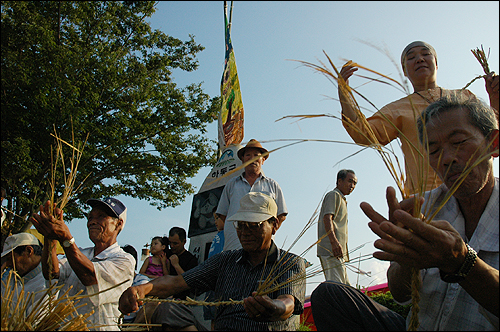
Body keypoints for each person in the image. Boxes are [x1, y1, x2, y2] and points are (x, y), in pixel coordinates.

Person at [311, 93, 499, 330]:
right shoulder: (424, 208)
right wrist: (407, 259)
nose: (447, 159)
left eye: (459, 142)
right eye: (433, 150)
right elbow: (400, 294)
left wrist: (463, 264)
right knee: (329, 295)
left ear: (494, 143)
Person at [119, 192, 306, 331]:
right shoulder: (225, 261)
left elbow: (287, 302)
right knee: (168, 310)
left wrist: (274, 307)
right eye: (241, 225)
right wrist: (142, 289)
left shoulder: (290, 263)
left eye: (254, 225)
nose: (245, 232)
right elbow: (177, 282)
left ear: (274, 225)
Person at [339, 41, 499, 195]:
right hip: (427, 203)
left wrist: (495, 98)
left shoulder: (463, 98)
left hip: (477, 191)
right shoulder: (397, 109)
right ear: (405, 71)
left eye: (425, 54)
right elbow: (363, 134)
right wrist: (344, 94)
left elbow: (493, 139)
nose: (419, 59)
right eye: (411, 57)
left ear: (436, 64)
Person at [30, 197, 135, 331]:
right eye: (90, 217)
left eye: (101, 217)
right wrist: (50, 238)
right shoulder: (80, 253)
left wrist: (66, 239)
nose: (92, 222)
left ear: (118, 224)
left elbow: (91, 277)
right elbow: (52, 273)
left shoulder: (124, 260)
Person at [216, 138, 288, 251]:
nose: (252, 159)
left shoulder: (272, 185)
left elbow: (281, 215)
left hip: (263, 247)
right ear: (243, 160)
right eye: (248, 155)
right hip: (233, 246)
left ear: (263, 160)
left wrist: (266, 232)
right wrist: (239, 230)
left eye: (256, 155)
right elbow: (223, 214)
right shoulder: (232, 184)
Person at [317, 169, 357, 285]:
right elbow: (327, 218)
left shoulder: (342, 199)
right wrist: (334, 242)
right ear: (340, 181)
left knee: (345, 287)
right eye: (350, 181)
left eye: (354, 183)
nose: (352, 186)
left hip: (337, 251)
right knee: (338, 287)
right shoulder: (333, 195)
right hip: (330, 250)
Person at [1, 233, 52, 316]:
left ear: (29, 251)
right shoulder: (9, 279)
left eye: (11, 258)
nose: (8, 264)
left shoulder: (46, 283)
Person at [203, 210, 225, 328]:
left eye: (218, 218)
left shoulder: (227, 234)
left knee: (219, 314)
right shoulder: (218, 235)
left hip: (220, 280)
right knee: (212, 315)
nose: (215, 222)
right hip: (211, 279)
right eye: (215, 218)